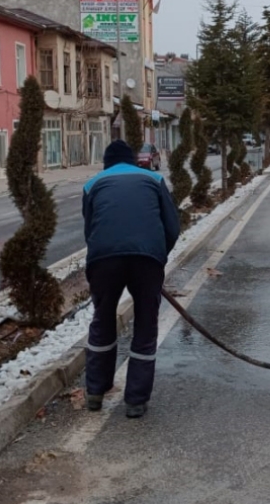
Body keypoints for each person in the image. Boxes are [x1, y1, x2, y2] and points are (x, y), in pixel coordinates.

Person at [82, 140, 181, 418]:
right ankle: (135, 401)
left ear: (106, 163)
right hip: (146, 259)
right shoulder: (154, 179)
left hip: (104, 260)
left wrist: (102, 256)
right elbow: (172, 227)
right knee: (146, 324)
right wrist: (156, 257)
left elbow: (91, 229)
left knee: (102, 319)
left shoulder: (93, 184)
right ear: (134, 161)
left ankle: (95, 392)